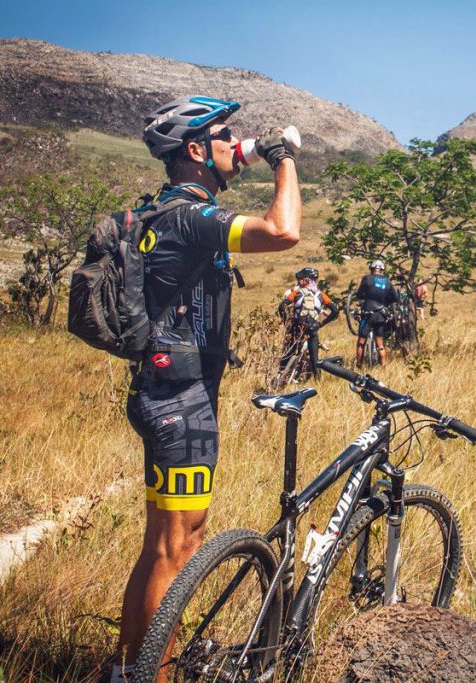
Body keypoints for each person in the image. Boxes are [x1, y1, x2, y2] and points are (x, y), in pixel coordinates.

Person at [111, 95, 301, 682]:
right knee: (180, 547)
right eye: (225, 136)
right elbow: (283, 230)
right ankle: (153, 677)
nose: (234, 143)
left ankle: (127, 672)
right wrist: (282, 159)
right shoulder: (187, 215)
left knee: (160, 547)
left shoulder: (166, 212)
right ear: (195, 150)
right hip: (181, 399)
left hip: (164, 389)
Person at [277, 267, 338, 379]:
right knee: (315, 358)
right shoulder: (321, 295)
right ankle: (317, 382)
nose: (298, 281)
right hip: (313, 327)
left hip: (298, 326)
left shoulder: (297, 292)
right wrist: (321, 324)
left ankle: (281, 376)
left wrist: (287, 323)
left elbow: (282, 306)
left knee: (289, 352)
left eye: (300, 279)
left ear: (306, 280)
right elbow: (335, 310)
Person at [353, 259, 398, 366]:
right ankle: (383, 367)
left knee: (361, 343)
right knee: (380, 344)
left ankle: (359, 365)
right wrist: (385, 303)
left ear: (372, 269)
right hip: (380, 315)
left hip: (367, 314)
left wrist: (366, 297)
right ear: (382, 270)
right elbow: (395, 297)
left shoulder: (367, 278)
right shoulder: (387, 281)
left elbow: (359, 294)